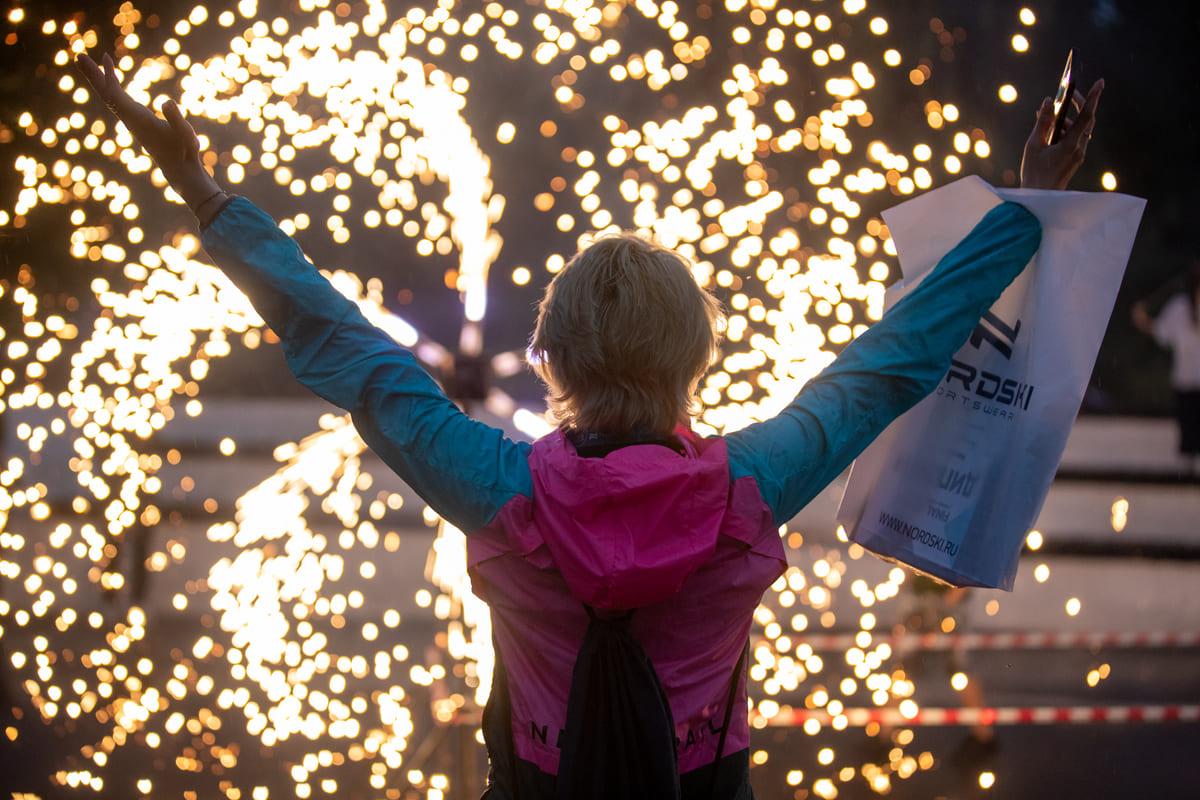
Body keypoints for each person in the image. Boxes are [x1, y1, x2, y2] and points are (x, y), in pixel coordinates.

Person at [77, 52, 1101, 799]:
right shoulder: (760, 479)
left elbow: (341, 342)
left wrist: (202, 190)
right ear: (694, 357)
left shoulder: (494, 484)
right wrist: (1025, 208)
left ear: (552, 361)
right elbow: (897, 357)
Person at [1132, 257, 1200, 472]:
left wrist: (1141, 318)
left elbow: (1160, 331)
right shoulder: (1180, 308)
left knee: (1188, 428)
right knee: (1190, 428)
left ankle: (1187, 470)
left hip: (1185, 380)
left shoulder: (1179, 307)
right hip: (1187, 380)